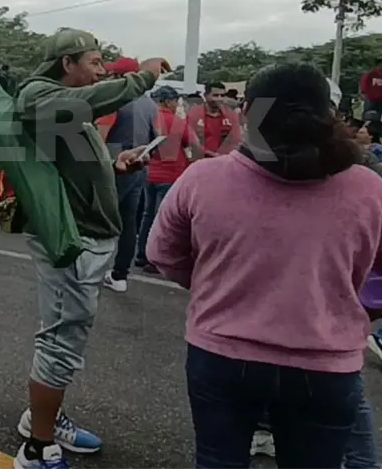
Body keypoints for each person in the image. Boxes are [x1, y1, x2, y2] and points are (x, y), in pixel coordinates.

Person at [148, 62, 382, 469]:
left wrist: (217, 285)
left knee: (218, 462)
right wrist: (352, 308)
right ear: (330, 114)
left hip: (221, 355)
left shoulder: (203, 179)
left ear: (249, 114)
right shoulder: (369, 188)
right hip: (326, 365)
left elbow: (162, 253)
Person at [12, 29, 168, 469]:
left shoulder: (63, 106)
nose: (101, 70)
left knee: (66, 333)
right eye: (95, 62)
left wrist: (116, 164)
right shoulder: (38, 96)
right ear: (68, 63)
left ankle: (43, 417)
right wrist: (142, 77)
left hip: (88, 235)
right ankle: (37, 448)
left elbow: (73, 163)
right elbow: (90, 101)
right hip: (70, 239)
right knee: (62, 338)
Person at [98, 58, 157, 292]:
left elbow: (100, 140)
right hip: (139, 168)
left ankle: (90, 271)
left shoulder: (114, 101)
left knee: (100, 220)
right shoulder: (150, 105)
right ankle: (120, 274)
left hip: (114, 167)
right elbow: (158, 137)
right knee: (129, 222)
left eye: (113, 75)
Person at [134, 85, 203, 275]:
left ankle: (141, 255)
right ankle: (154, 260)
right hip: (170, 175)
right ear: (167, 101)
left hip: (149, 173)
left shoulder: (149, 119)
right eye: (174, 101)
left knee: (148, 215)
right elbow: (195, 145)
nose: (176, 104)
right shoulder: (177, 122)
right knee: (162, 219)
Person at [186, 80, 241, 156]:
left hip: (225, 160)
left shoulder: (231, 115)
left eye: (222, 95)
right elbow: (192, 141)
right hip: (201, 160)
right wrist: (211, 154)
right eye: (215, 95)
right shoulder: (194, 114)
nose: (219, 99)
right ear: (206, 96)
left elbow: (236, 140)